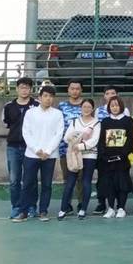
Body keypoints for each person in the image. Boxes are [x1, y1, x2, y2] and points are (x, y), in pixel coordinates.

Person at [11, 86, 64, 223]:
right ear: (39, 98)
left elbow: (58, 134)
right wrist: (37, 150)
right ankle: (23, 212)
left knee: (47, 185)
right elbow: (26, 132)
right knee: (28, 184)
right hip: (31, 154)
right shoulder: (30, 113)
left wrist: (48, 151)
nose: (48, 99)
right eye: (45, 96)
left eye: (51, 96)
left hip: (49, 155)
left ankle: (43, 211)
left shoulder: (57, 114)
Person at [2, 77, 39, 219]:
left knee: (31, 179)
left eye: (27, 87)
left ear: (31, 89)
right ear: (17, 89)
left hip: (31, 148)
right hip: (13, 147)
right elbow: (6, 124)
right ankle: (16, 207)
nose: (24, 90)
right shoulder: (8, 106)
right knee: (14, 180)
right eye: (22, 87)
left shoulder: (37, 105)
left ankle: (31, 206)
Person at [58, 98, 100, 220]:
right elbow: (67, 137)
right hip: (75, 155)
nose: (86, 109)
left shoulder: (96, 123)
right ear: (80, 108)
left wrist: (79, 145)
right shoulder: (75, 121)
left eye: (89, 107)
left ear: (92, 109)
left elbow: (94, 141)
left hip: (90, 155)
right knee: (70, 182)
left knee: (86, 181)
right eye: (84, 107)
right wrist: (80, 137)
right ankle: (63, 209)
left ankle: (83, 209)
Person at [95, 96, 133, 219]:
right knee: (109, 184)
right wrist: (104, 155)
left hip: (122, 159)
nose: (114, 108)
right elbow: (101, 140)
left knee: (122, 184)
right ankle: (111, 208)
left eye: (116, 105)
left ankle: (121, 208)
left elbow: (130, 139)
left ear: (121, 106)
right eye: (112, 106)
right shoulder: (105, 121)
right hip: (107, 160)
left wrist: (123, 154)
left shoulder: (127, 121)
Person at [57, 79, 84, 213]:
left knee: (81, 179)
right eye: (72, 88)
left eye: (77, 88)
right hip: (65, 149)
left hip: (82, 149)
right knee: (67, 178)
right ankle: (66, 205)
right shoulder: (61, 106)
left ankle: (81, 204)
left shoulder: (86, 105)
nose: (75, 91)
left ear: (81, 90)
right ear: (68, 90)